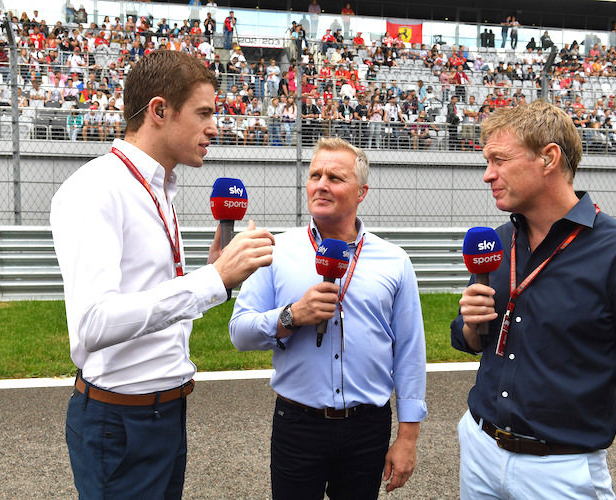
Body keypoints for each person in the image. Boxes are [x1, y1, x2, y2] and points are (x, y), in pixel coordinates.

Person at [50, 50, 276, 499]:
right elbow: (92, 323)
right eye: (204, 113)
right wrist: (212, 280)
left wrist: (218, 276)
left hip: (165, 413)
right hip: (120, 422)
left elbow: (155, 297)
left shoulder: (158, 187)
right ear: (158, 110)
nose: (215, 127)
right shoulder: (95, 189)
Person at [450, 100, 616, 500]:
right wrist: (471, 326)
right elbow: (475, 342)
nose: (487, 175)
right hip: (479, 447)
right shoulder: (497, 242)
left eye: (499, 160)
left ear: (549, 158)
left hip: (561, 471)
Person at [229, 137, 427, 499]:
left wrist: (408, 437)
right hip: (298, 423)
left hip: (367, 427)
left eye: (335, 177)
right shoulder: (276, 250)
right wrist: (291, 316)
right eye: (315, 175)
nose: (321, 184)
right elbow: (239, 333)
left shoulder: (394, 260)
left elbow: (410, 352)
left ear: (361, 191)